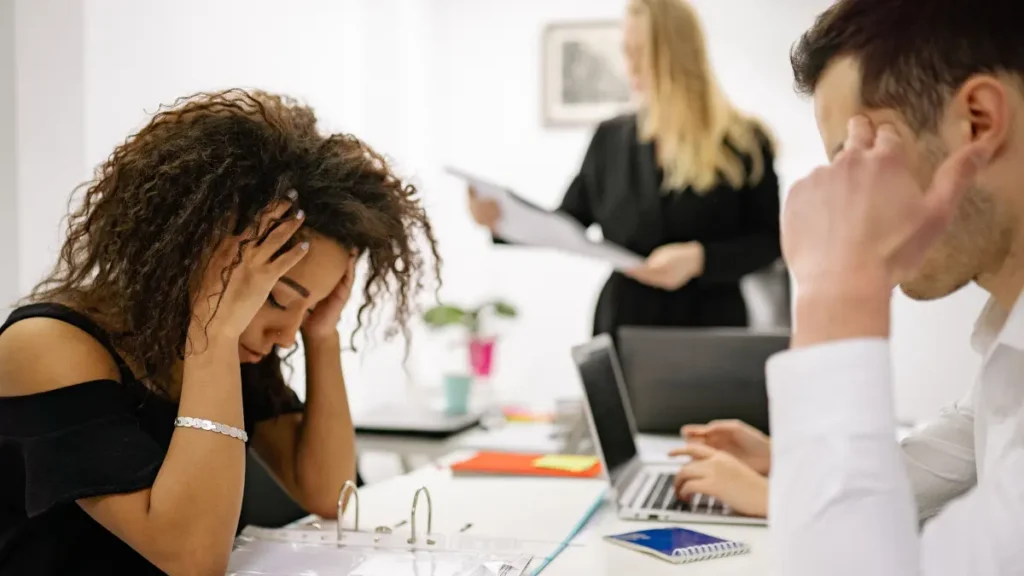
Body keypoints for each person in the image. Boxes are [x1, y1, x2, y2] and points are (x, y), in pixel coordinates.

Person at [0, 90, 440, 575]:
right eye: (277, 299)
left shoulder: (234, 354)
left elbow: (330, 495)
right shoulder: (46, 346)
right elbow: (193, 559)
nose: (286, 335)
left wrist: (323, 334)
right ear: (195, 251)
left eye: (309, 309)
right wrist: (214, 334)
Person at [768, 0, 1023, 574]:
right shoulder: (1009, 338)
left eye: (859, 159)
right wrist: (790, 470)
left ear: (978, 122)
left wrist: (835, 290)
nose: (849, 195)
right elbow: (965, 439)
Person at [468, 0, 781, 337]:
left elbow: (769, 243)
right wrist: (503, 219)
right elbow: (568, 223)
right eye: (626, 50)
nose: (628, 64)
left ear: (676, 54)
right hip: (623, 325)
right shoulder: (609, 140)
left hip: (711, 329)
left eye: (640, 51)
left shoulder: (745, 141)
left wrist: (698, 259)